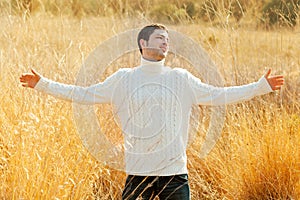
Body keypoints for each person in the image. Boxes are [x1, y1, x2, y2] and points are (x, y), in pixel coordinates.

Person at [20, 24, 284, 200]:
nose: (165, 42)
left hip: (174, 173)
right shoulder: (123, 78)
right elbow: (83, 94)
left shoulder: (181, 78)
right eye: (160, 38)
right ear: (143, 43)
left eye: (167, 40)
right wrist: (43, 84)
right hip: (138, 172)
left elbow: (219, 95)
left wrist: (260, 87)